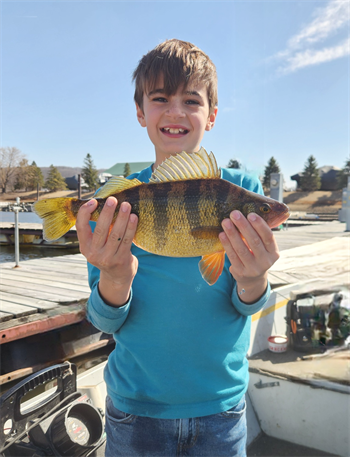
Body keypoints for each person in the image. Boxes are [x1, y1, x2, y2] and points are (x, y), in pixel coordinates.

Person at [76, 39, 280, 457]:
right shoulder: (116, 201)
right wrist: (115, 277)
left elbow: (247, 305)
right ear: (140, 113)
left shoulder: (244, 190)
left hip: (221, 410)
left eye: (191, 99)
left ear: (212, 114)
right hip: (136, 410)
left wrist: (254, 278)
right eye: (159, 98)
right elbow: (104, 321)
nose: (175, 111)